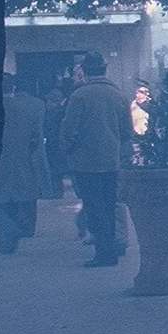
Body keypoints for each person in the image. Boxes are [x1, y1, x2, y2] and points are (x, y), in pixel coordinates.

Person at [58, 51, 129, 268]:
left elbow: (68, 130)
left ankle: (103, 252)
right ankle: (111, 248)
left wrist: (66, 150)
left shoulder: (79, 96)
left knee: (93, 207)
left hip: (85, 162)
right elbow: (127, 131)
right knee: (109, 206)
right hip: (112, 160)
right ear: (105, 69)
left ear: (85, 71)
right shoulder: (118, 95)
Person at [0, 74, 47, 256]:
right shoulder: (28, 108)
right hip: (21, 160)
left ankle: (8, 231)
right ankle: (7, 243)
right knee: (14, 198)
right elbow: (36, 138)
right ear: (13, 88)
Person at [129, 82, 152, 165]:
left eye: (141, 92)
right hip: (136, 132)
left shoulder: (150, 104)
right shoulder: (133, 104)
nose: (138, 94)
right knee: (136, 151)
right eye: (137, 92)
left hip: (147, 132)